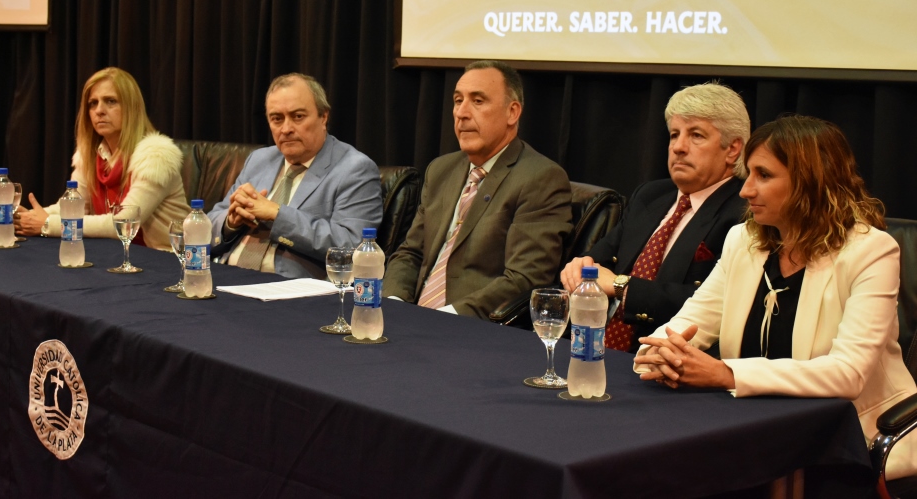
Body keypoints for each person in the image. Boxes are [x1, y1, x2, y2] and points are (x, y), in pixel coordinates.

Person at [633, 115, 917, 481]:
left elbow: (847, 374)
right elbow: (688, 324)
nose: (745, 190)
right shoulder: (742, 240)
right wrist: (662, 353)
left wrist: (725, 373)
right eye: (748, 174)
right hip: (754, 431)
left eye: (763, 175)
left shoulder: (871, 251)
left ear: (810, 182)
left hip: (847, 443)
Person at [560, 82, 749, 352]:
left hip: (665, 355)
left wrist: (621, 286)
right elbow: (597, 263)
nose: (679, 147)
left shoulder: (744, 211)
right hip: (590, 345)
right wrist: (579, 268)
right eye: (674, 135)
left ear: (732, 149)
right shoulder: (651, 195)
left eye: (696, 135)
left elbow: (715, 303)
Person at [382, 60, 572, 320]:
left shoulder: (540, 178)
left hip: (469, 325)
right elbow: (411, 253)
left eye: (478, 101)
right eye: (458, 101)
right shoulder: (441, 170)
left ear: (512, 112)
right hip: (411, 317)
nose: (461, 113)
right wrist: (394, 303)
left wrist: (444, 317)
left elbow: (525, 278)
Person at [207, 73, 382, 279]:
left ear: (323, 117)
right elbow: (208, 224)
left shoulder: (355, 169)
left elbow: (353, 246)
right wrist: (230, 223)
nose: (286, 129)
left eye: (298, 116)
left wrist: (277, 215)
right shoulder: (259, 160)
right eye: (277, 119)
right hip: (226, 276)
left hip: (288, 287)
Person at [15, 67, 189, 251]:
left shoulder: (156, 156)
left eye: (110, 101)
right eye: (93, 103)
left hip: (164, 258)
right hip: (114, 253)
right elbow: (72, 208)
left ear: (131, 107)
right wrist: (28, 218)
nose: (99, 110)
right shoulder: (89, 156)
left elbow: (124, 223)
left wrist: (48, 224)